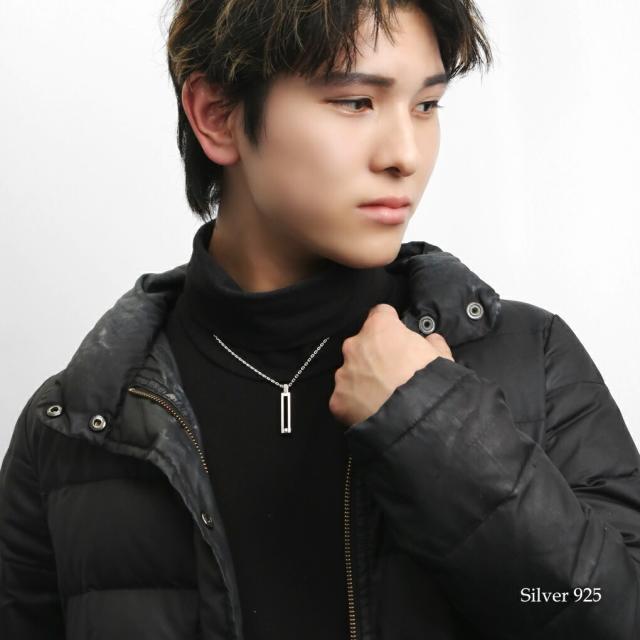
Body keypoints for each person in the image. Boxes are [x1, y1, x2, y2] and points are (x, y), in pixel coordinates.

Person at [1, 0, 639, 638]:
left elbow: (614, 615)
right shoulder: (74, 427)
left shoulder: (531, 358)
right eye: (357, 102)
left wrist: (434, 424)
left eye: (426, 105)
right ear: (217, 116)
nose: (406, 154)